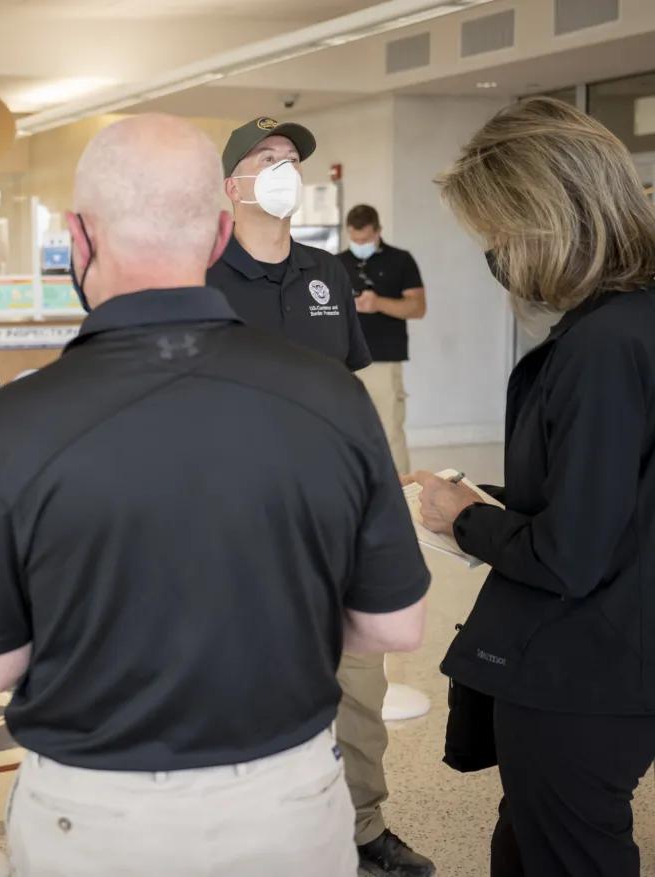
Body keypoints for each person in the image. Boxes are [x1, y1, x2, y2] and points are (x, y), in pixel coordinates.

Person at [0, 113, 430, 877]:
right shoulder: (332, 397)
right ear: (218, 232)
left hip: (93, 811)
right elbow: (395, 623)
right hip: (288, 797)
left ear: (78, 234)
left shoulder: (9, 426)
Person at [416, 97, 655, 877]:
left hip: (583, 668)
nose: (496, 255)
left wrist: (462, 520)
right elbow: (620, 491)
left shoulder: (602, 346)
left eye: (497, 235)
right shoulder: (635, 324)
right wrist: (498, 498)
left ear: (544, 219)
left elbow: (568, 557)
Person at [208, 116, 434, 877]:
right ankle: (258, 833)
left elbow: (353, 390)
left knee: (358, 684)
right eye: (266, 158)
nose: (284, 169)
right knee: (254, 682)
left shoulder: (328, 275)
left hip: (334, 518)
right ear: (229, 183)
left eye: (292, 159)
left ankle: (364, 825)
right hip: (240, 526)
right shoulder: (197, 280)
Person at [338, 205, 426, 475]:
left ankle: (402, 497)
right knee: (346, 432)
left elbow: (417, 308)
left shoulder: (400, 260)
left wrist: (377, 303)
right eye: (355, 239)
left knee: (389, 431)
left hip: (383, 361)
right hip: (343, 362)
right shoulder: (337, 263)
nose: (359, 244)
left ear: (378, 231)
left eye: (365, 239)